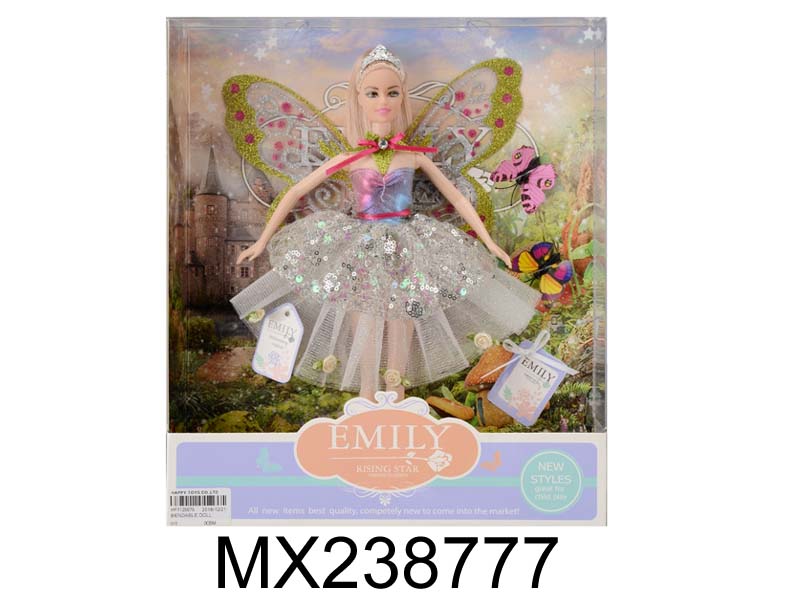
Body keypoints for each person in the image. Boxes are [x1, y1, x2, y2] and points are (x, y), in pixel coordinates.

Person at [233, 45, 539, 401]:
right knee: (361, 314)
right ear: (359, 98)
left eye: (392, 93)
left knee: (403, 317)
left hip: (408, 245)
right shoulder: (350, 157)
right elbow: (297, 191)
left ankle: (397, 391)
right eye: (373, 93)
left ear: (402, 97)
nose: (383, 101)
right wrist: (261, 241)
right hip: (361, 244)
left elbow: (456, 198)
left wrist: (488, 241)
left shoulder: (412, 157)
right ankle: (366, 393)